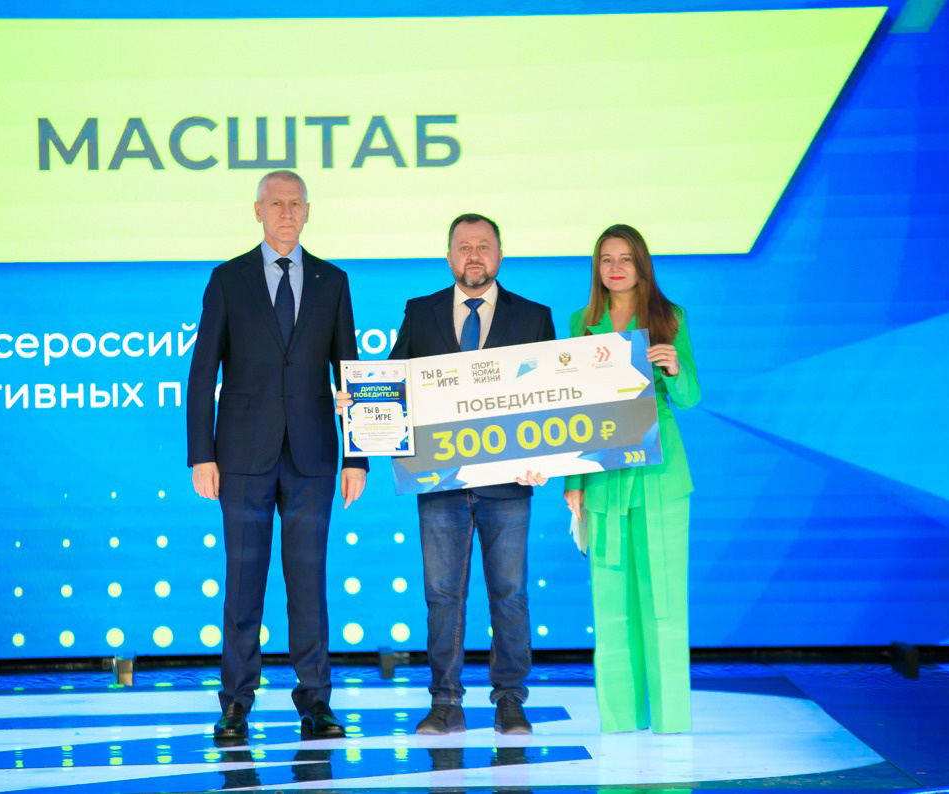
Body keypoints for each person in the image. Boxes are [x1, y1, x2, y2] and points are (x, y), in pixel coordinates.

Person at [186, 170, 367, 743]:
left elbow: (350, 371)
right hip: (241, 456)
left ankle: (316, 701)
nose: (286, 213)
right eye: (276, 203)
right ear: (257, 210)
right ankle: (235, 704)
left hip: (314, 455)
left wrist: (357, 457)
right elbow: (202, 372)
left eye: (295, 204)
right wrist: (201, 454)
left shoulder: (333, 281)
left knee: (308, 584)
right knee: (243, 584)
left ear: (308, 211)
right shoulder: (227, 279)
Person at [382, 213, 554, 735]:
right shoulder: (421, 311)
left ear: (499, 255)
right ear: (448, 256)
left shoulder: (534, 317)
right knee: (441, 595)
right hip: (439, 481)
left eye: (483, 246)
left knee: (510, 593)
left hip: (509, 484)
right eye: (463, 247)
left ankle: (510, 700)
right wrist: (364, 404)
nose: (473, 255)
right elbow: (393, 382)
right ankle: (445, 703)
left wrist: (549, 457)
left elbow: (553, 401)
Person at [562, 223, 699, 734]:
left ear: (642, 264)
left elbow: (690, 398)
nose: (615, 268)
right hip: (602, 475)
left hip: (661, 476)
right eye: (606, 259)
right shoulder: (581, 322)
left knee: (663, 596)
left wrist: (675, 369)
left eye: (625, 258)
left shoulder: (670, 316)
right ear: (596, 268)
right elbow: (571, 407)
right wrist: (573, 482)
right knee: (610, 597)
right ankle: (620, 719)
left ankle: (670, 718)